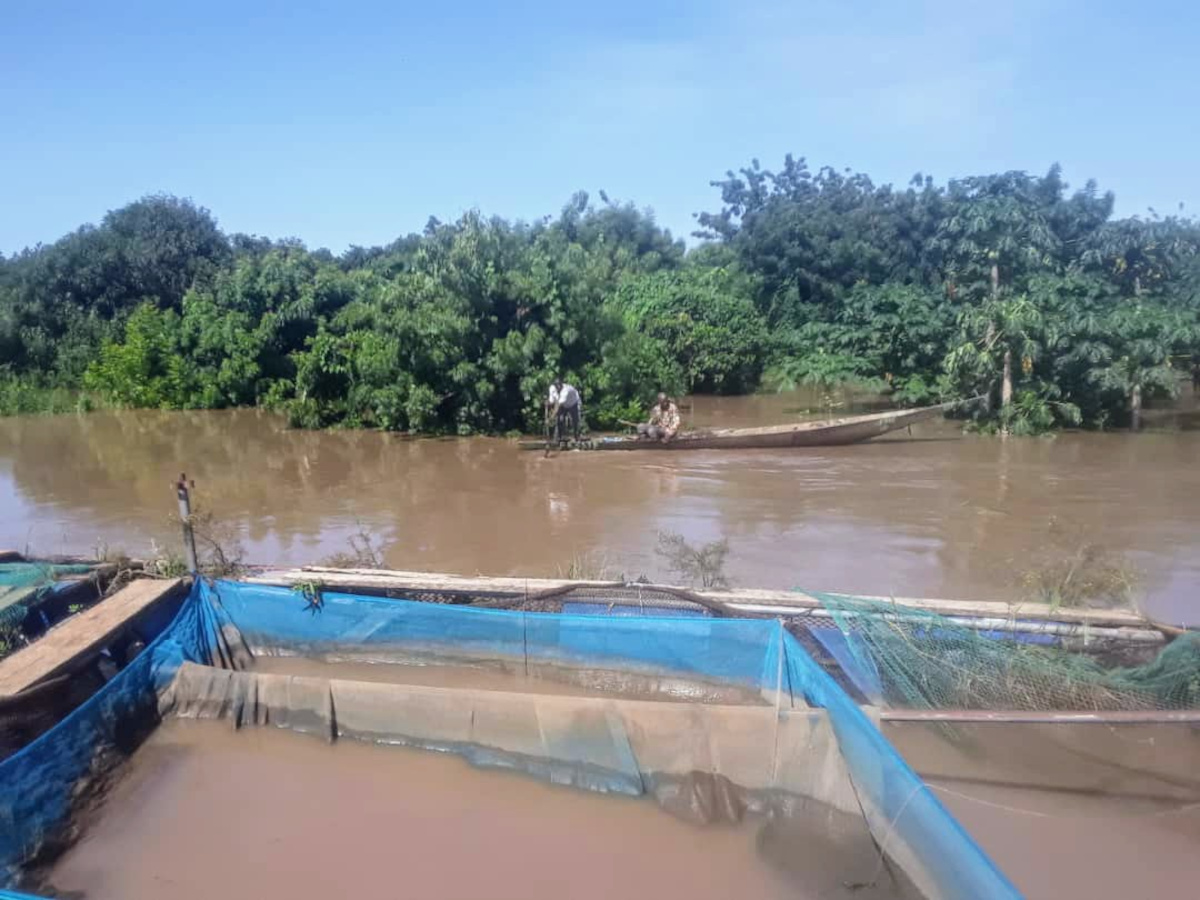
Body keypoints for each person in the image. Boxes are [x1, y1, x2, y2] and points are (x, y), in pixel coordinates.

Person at [547, 377, 582, 441]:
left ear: (561, 385)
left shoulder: (565, 391)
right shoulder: (552, 388)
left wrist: (551, 417)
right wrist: (548, 404)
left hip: (573, 403)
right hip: (563, 404)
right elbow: (551, 401)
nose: (558, 387)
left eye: (559, 385)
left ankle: (576, 436)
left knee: (575, 420)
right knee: (559, 419)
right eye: (556, 385)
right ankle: (560, 437)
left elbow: (558, 405)